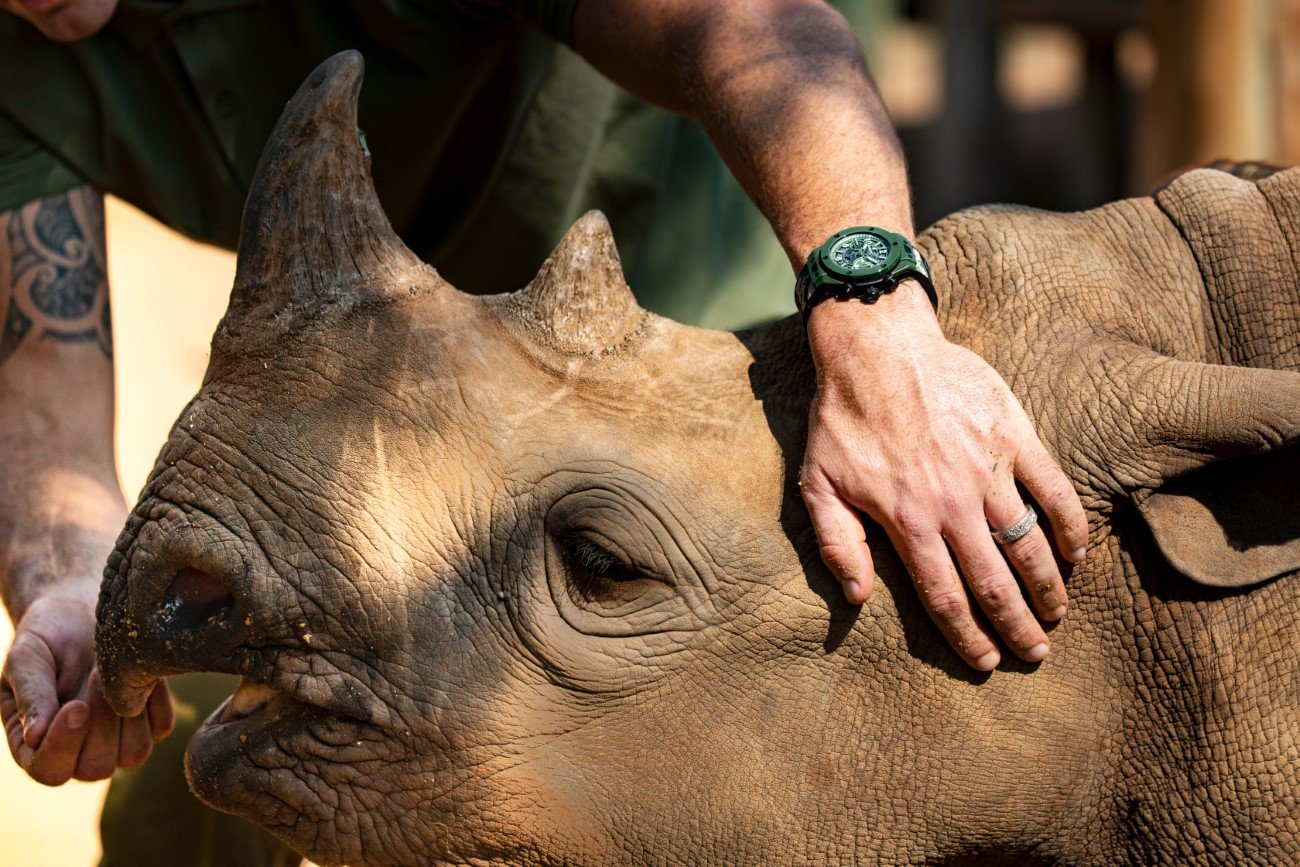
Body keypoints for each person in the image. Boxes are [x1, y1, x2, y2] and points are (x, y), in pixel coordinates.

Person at [0, 0, 1088, 863]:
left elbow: (760, 34)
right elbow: (42, 367)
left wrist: (876, 317)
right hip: (394, 374)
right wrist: (66, 579)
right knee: (205, 774)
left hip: (680, 226)